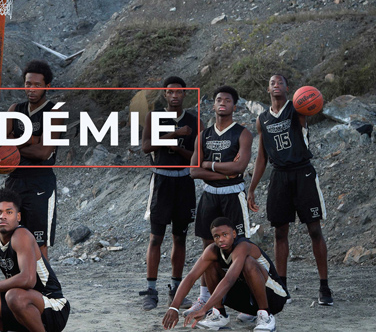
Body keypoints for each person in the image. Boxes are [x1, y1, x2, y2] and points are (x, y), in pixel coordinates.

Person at [247, 75, 332, 305]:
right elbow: (261, 157)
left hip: (303, 173)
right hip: (279, 176)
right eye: (272, 82)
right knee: (279, 232)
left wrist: (310, 99)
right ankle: (282, 286)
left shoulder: (297, 109)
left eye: (280, 82)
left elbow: (312, 106)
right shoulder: (262, 119)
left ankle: (324, 287)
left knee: (314, 230)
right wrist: (252, 188)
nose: (276, 85)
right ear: (267, 89)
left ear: (288, 88)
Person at [0, 187, 70, 332]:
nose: (3, 216)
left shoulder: (21, 235)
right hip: (20, 304)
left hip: (52, 306)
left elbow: (28, 280)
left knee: (14, 296)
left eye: (9, 212)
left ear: (18, 217)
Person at [186, 85, 253, 316]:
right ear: (213, 105)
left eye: (227, 99)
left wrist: (210, 165)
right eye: (218, 99)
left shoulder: (243, 133)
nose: (222, 102)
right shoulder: (204, 135)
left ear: (234, 106)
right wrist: (225, 171)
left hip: (233, 195)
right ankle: (206, 299)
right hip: (210, 195)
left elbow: (240, 167)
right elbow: (194, 171)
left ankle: (248, 302)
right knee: (208, 249)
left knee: (240, 248)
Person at [163, 217, 288, 331]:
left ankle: (265, 315)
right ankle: (219, 314)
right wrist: (174, 307)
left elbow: (229, 279)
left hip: (274, 298)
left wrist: (205, 308)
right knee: (209, 264)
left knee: (248, 262)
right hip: (247, 299)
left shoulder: (243, 246)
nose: (221, 239)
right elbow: (191, 277)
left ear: (234, 234)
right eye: (216, 236)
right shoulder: (212, 250)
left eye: (225, 234)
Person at [139, 76, 198, 310]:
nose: (174, 96)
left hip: (184, 181)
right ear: (165, 94)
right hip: (161, 180)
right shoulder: (154, 117)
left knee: (180, 237)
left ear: (185, 94)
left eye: (179, 92)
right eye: (170, 92)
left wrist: (177, 148)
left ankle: (176, 290)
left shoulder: (193, 121)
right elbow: (146, 147)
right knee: (155, 237)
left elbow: (197, 156)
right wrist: (174, 135)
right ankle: (151, 291)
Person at [3, 60, 61, 261]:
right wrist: (31, 140)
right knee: (11, 240)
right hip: (14, 181)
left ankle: (44, 291)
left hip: (40, 182)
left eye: (37, 85)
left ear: (47, 86)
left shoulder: (54, 112)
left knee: (38, 244)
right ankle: (17, 289)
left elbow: (43, 153)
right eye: (28, 84)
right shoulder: (15, 109)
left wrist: (14, 142)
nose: (32, 89)